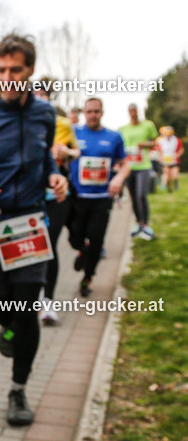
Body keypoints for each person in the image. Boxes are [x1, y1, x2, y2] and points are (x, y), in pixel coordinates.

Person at [0, 35, 68, 426]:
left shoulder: (45, 115)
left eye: (15, 70)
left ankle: (18, 390)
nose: (7, 77)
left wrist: (55, 176)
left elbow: (44, 159)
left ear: (30, 70)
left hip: (30, 222)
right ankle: (10, 329)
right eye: (0, 70)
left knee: (26, 310)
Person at [68, 98, 129, 297]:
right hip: (77, 196)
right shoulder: (74, 133)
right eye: (89, 111)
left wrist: (119, 178)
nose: (93, 115)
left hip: (102, 198)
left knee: (96, 239)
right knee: (75, 236)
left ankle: (87, 278)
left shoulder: (113, 137)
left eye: (96, 111)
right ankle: (81, 250)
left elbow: (125, 163)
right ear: (84, 113)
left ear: (102, 112)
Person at [32, 81, 80, 324]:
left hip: (57, 195)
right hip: (30, 197)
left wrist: (66, 154)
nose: (41, 98)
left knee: (48, 244)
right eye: (36, 94)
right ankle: (33, 295)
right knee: (34, 247)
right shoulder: (24, 122)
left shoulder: (63, 123)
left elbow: (76, 152)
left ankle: (48, 301)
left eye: (44, 94)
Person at [119, 104, 159, 240]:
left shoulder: (148, 125)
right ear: (128, 112)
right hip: (130, 167)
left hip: (144, 165)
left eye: (135, 111)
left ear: (138, 111)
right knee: (133, 197)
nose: (133, 113)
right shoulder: (123, 129)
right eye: (130, 111)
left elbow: (155, 142)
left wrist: (144, 144)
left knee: (142, 195)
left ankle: (146, 225)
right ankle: (139, 224)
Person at [158, 126, 183, 192]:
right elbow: (159, 151)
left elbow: (181, 149)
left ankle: (175, 183)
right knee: (167, 176)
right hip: (165, 161)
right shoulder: (161, 141)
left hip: (174, 161)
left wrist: (177, 155)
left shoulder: (177, 140)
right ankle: (169, 188)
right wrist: (160, 157)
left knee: (175, 175)